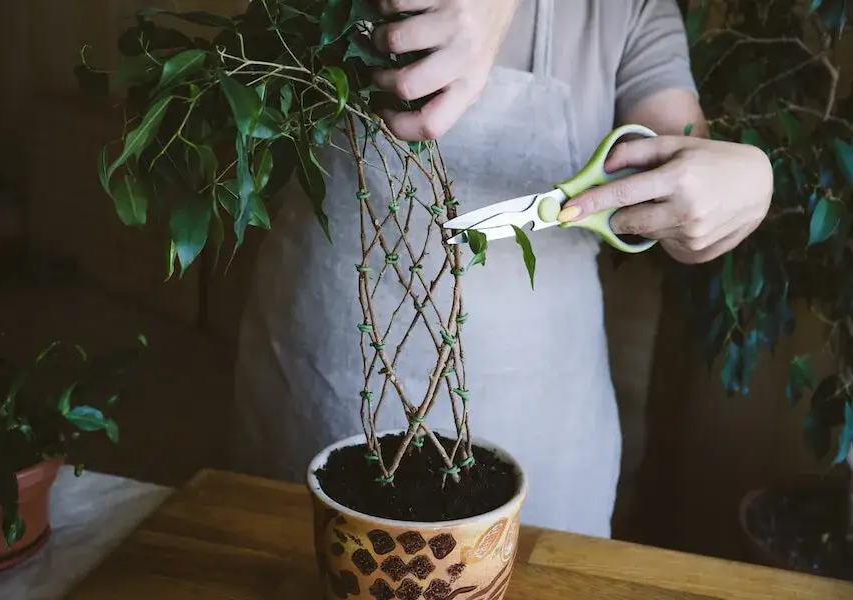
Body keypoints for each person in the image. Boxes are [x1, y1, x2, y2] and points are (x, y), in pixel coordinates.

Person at [233, 0, 773, 538]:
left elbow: (674, 167)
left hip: (545, 435)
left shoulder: (630, 11)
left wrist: (736, 187)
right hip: (323, 394)